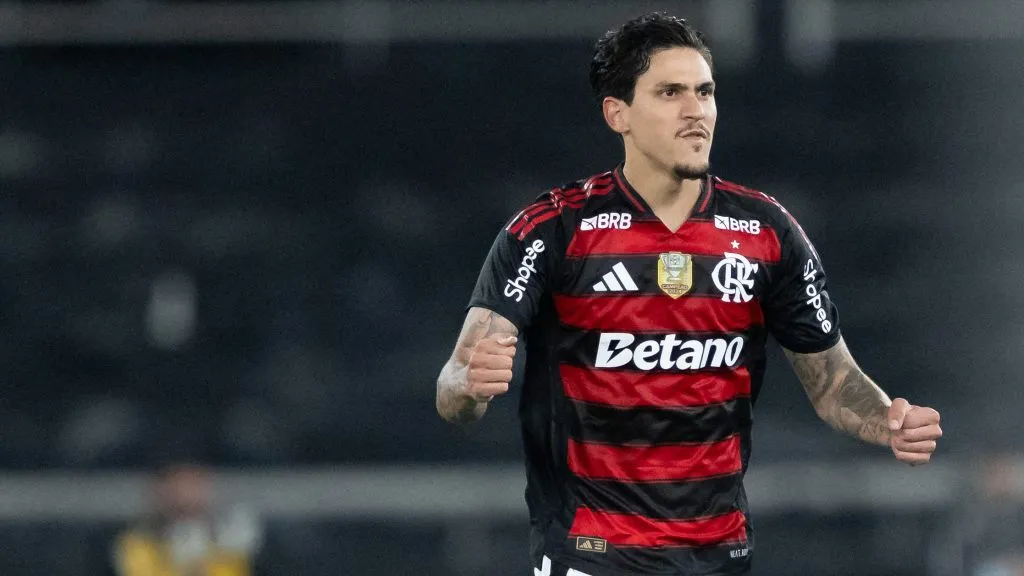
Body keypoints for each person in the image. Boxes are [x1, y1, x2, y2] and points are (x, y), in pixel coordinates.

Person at [435, 12, 942, 576]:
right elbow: (454, 388)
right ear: (617, 113)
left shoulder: (768, 233)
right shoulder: (552, 229)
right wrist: (471, 386)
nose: (695, 109)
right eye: (670, 92)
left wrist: (885, 419)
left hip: (720, 556)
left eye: (705, 91)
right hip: (592, 555)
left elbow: (833, 383)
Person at [112, 464, 261, 576]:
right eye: (179, 487)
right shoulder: (139, 542)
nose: (187, 496)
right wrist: (187, 566)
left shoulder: (228, 539)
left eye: (195, 485)